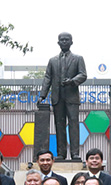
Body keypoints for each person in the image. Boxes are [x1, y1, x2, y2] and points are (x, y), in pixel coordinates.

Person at [39, 32, 87, 161]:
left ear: (71, 42)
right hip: (57, 97)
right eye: (62, 40)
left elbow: (83, 75)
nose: (64, 42)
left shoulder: (78, 58)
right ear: (58, 42)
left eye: (67, 40)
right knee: (59, 125)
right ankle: (61, 153)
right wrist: (42, 95)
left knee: (73, 125)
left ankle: (75, 153)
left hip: (72, 97)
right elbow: (47, 78)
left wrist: (72, 81)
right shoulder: (52, 60)